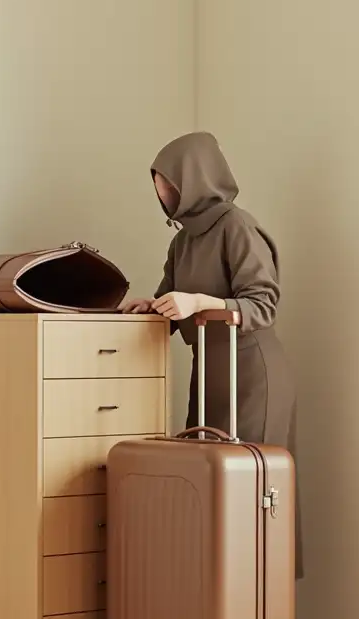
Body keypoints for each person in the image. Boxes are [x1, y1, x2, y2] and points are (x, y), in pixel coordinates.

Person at [121, 131, 302, 578]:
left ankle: (260, 612)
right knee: (209, 488)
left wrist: (200, 303)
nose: (161, 192)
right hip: (212, 372)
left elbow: (262, 304)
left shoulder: (237, 227)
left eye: (168, 181)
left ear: (194, 178)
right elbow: (173, 298)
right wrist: (153, 306)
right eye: (158, 183)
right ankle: (221, 613)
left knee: (253, 493)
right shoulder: (182, 241)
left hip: (253, 374)